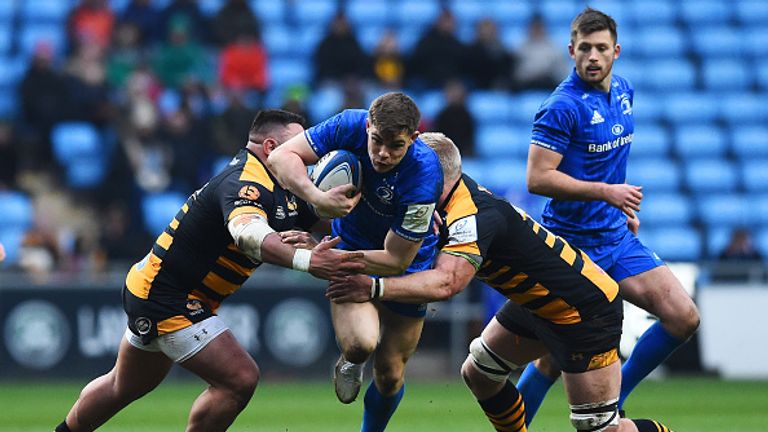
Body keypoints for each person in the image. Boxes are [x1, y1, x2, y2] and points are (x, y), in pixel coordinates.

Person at [326, 132, 675, 432]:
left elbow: (448, 283)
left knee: (599, 428)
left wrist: (373, 287)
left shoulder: (470, 217)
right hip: (537, 303)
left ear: (434, 174)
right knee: (479, 372)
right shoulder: (442, 203)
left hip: (584, 310)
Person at [53, 109, 365, 432]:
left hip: (158, 288)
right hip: (167, 296)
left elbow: (326, 223)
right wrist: (308, 261)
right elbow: (248, 235)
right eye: (299, 146)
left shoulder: (284, 183)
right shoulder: (245, 181)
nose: (306, 154)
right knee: (240, 379)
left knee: (123, 385)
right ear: (272, 148)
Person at [521, 7, 700, 424]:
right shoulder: (561, 107)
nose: (593, 56)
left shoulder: (624, 91)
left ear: (616, 51)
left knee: (683, 317)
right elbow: (536, 177)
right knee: (551, 359)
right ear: (571, 51)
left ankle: (616, 400)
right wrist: (606, 193)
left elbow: (609, 163)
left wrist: (618, 207)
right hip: (571, 245)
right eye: (584, 48)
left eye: (601, 48)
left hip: (615, 237)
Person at [268, 92, 443, 432]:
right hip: (354, 250)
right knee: (362, 344)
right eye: (377, 140)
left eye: (396, 146)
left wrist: (327, 254)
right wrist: (318, 198)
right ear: (367, 126)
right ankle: (350, 361)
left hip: (407, 267)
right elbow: (280, 156)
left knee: (391, 375)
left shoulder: (423, 175)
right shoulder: (349, 124)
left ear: (415, 139)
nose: (382, 153)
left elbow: (395, 260)